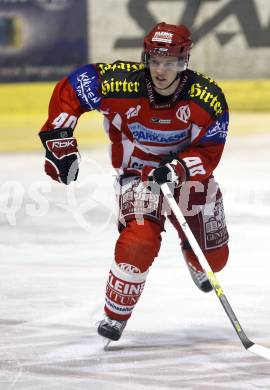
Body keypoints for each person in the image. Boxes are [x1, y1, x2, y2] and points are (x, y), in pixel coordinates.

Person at [39, 22, 230, 343]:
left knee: (215, 261)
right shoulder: (120, 83)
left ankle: (194, 253)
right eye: (154, 61)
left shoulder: (206, 98)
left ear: (184, 62)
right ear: (146, 59)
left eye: (169, 62)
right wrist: (59, 139)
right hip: (138, 175)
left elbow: (210, 149)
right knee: (139, 241)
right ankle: (115, 317)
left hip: (190, 177)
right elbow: (72, 88)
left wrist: (178, 169)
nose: (160, 70)